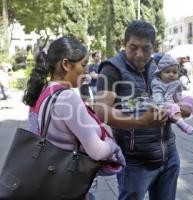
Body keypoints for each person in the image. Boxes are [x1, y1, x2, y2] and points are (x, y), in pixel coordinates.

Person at [96, 20, 191, 200]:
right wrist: (141, 121)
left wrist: (183, 107)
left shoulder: (158, 67)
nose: (139, 54)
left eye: (146, 49)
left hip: (169, 154)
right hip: (134, 162)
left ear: (153, 47)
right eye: (133, 47)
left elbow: (175, 97)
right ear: (124, 44)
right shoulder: (112, 69)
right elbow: (101, 111)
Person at [22, 36, 125, 200]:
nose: (87, 70)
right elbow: (97, 151)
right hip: (71, 186)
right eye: (83, 65)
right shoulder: (67, 97)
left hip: (50, 180)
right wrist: (113, 147)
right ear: (66, 64)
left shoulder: (43, 91)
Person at [151, 54, 193, 135]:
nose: (171, 74)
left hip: (174, 101)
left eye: (174, 72)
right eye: (167, 72)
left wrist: (181, 101)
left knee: (190, 98)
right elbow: (157, 96)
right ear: (160, 73)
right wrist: (161, 106)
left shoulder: (176, 82)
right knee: (173, 107)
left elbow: (178, 95)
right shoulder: (158, 83)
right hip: (164, 103)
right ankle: (182, 124)